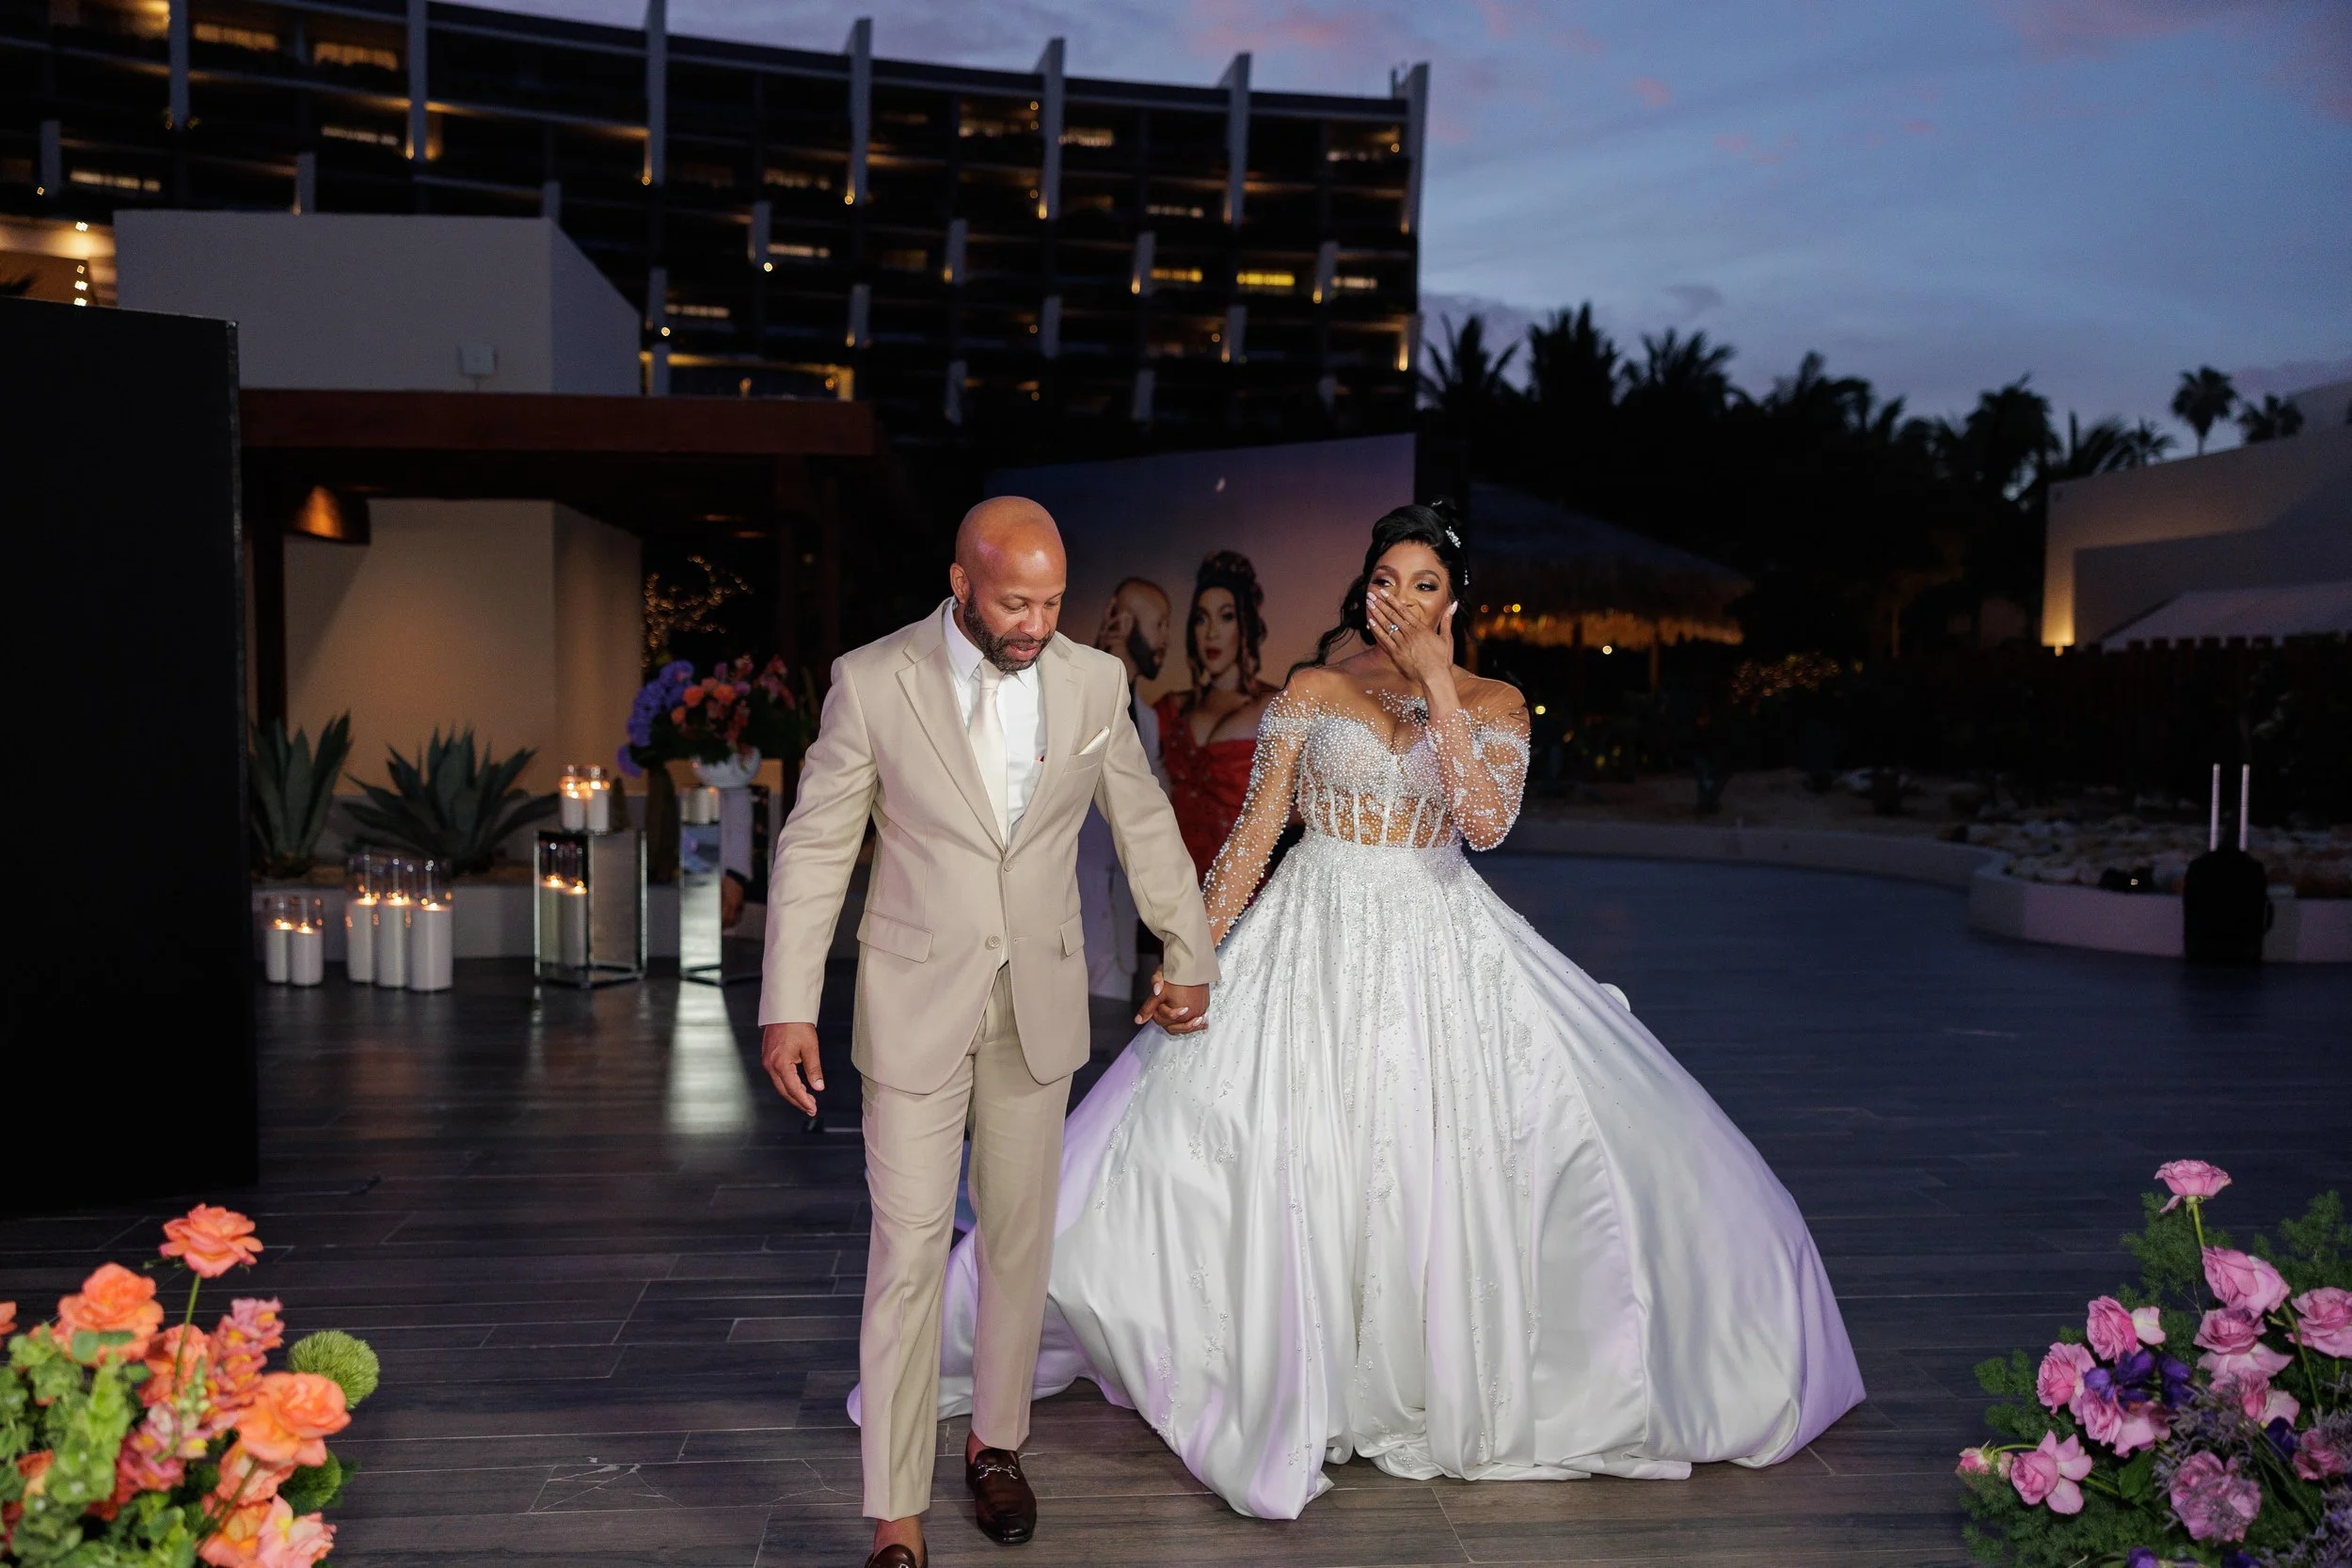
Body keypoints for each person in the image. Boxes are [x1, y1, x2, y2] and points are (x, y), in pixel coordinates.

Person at [923, 500, 1867, 1519]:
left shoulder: (1496, 699)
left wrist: (1433, 685)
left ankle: (1410, 1371)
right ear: (1362, 588)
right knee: (1251, 1147)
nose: (1404, 600)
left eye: (1426, 583)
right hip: (1309, 930)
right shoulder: (1314, 686)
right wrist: (1187, 953)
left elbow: (1485, 819)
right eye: (1388, 580)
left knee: (1438, 1156)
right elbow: (1251, 839)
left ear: (1454, 599)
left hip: (1438, 935)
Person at [757, 498, 1217, 1568]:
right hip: (915, 1005)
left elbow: (1141, 822)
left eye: (1054, 600)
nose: (1037, 621)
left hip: (1039, 1001)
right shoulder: (872, 681)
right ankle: (894, 1507)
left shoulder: (1095, 683)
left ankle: (998, 1446)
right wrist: (788, 1001)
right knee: (910, 1247)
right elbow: (818, 846)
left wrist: (1185, 951)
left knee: (1017, 1245)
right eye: (1017, 600)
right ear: (960, 583)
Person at [1155, 550, 1278, 879]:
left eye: (1225, 617)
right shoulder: (1171, 709)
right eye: (1200, 618)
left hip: (1243, 893)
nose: (1211, 633)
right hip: (1171, 892)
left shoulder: (1275, 705)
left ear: (1246, 624)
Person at [1076, 578, 1171, 999]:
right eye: (1160, 624)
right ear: (1129, 622)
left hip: (1119, 915)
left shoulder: (1147, 718)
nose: (1165, 638)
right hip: (1071, 903)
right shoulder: (1075, 699)